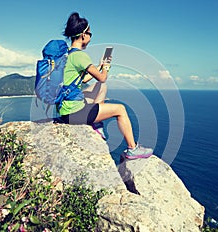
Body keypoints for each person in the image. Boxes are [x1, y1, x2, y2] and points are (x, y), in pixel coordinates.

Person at [59, 12, 153, 159]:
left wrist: (99, 65)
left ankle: (96, 124)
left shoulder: (67, 54)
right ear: (83, 35)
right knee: (120, 109)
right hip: (74, 113)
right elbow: (102, 77)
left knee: (102, 88)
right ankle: (132, 148)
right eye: (90, 34)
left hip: (65, 110)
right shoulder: (80, 56)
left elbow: (83, 80)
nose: (90, 38)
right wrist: (106, 67)